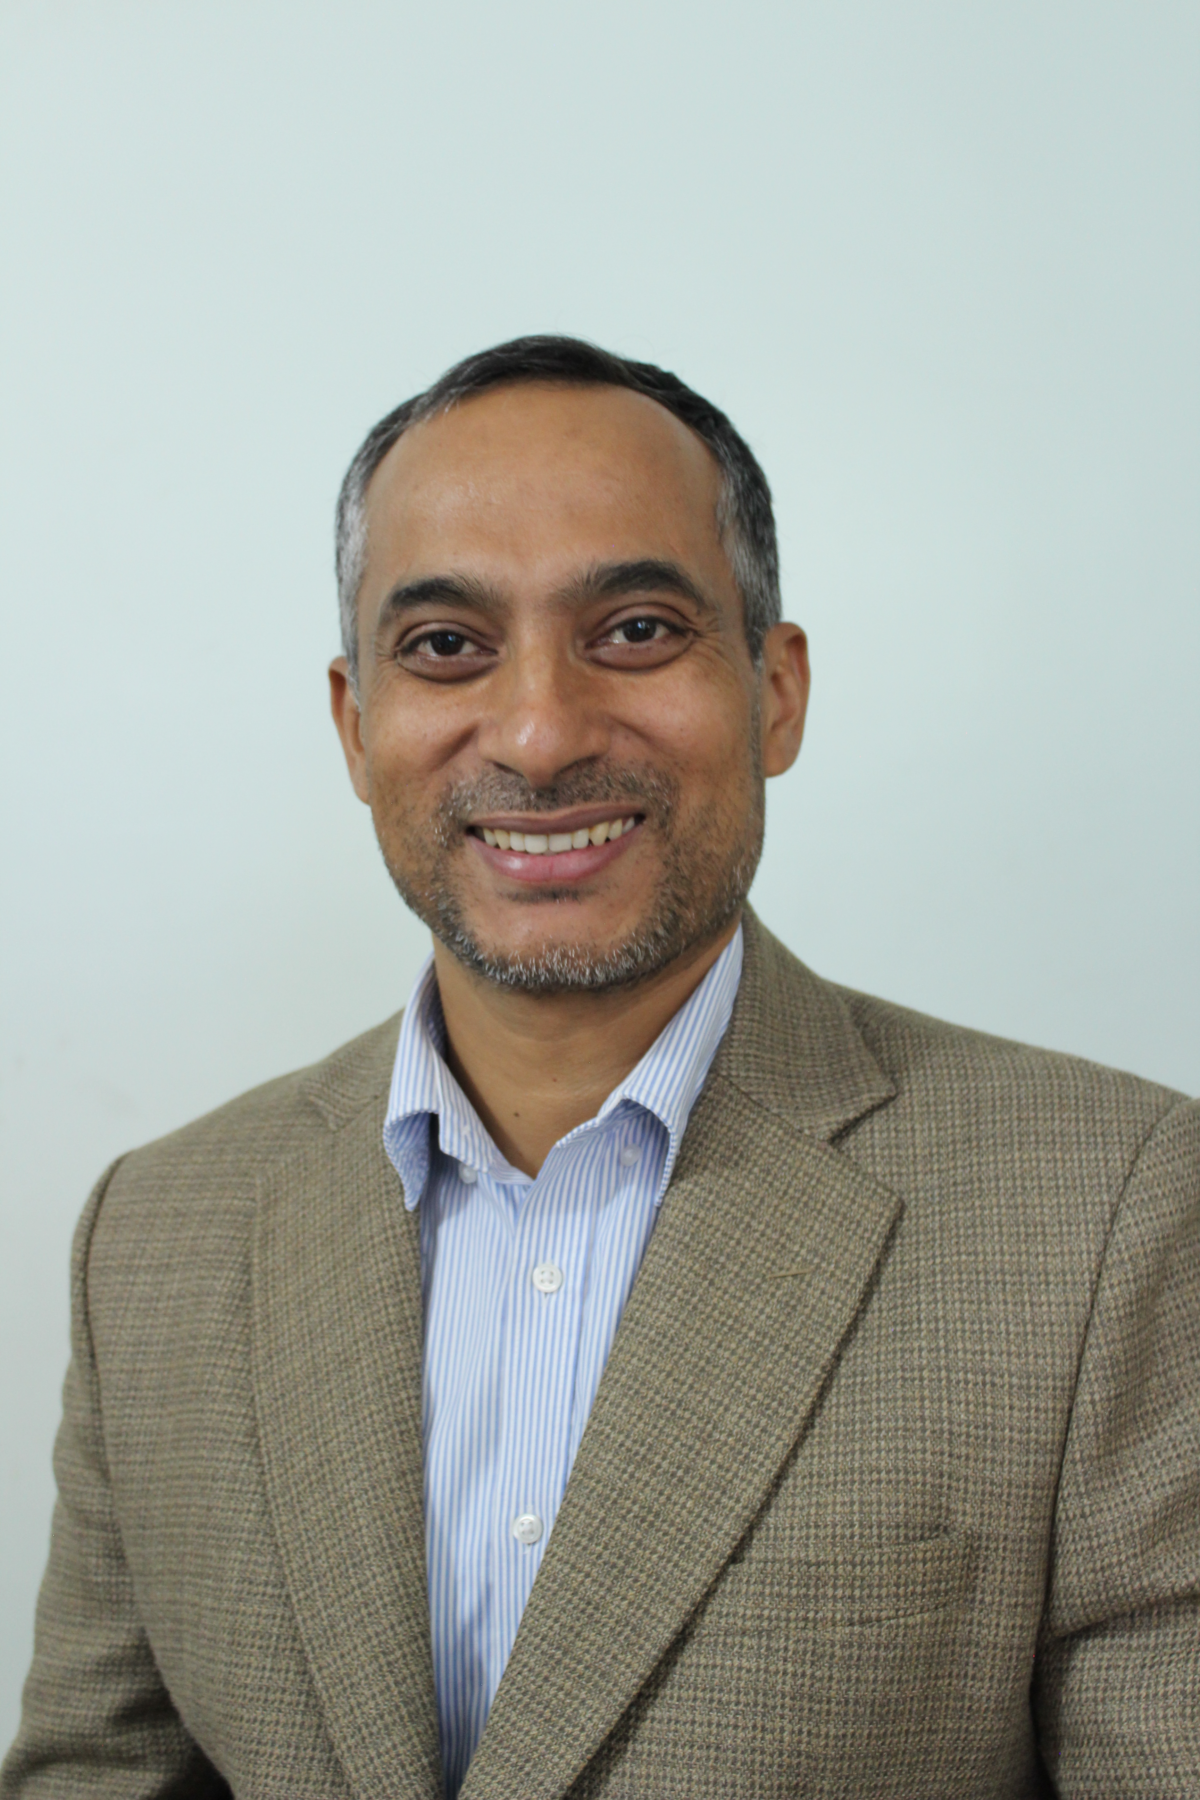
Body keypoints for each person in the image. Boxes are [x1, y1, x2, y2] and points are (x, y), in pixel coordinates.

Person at [3, 336, 1197, 1800]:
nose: (542, 732)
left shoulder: (1113, 1218)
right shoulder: (155, 1238)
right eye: (445, 646)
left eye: (634, 629)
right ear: (355, 725)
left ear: (777, 689)